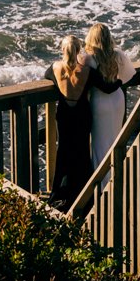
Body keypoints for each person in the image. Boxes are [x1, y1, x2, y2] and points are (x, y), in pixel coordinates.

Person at [83, 22, 137, 167]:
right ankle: (116, 177)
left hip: (99, 102)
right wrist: (117, 81)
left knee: (99, 145)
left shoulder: (89, 59)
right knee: (115, 140)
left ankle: (103, 185)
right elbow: (129, 75)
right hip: (118, 99)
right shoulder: (118, 55)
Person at [49, 33, 94, 205]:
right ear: (78, 51)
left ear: (62, 50)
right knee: (82, 151)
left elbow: (47, 77)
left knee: (64, 152)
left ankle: (58, 193)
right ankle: (83, 193)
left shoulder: (54, 68)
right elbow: (106, 85)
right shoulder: (88, 71)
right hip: (82, 115)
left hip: (65, 116)